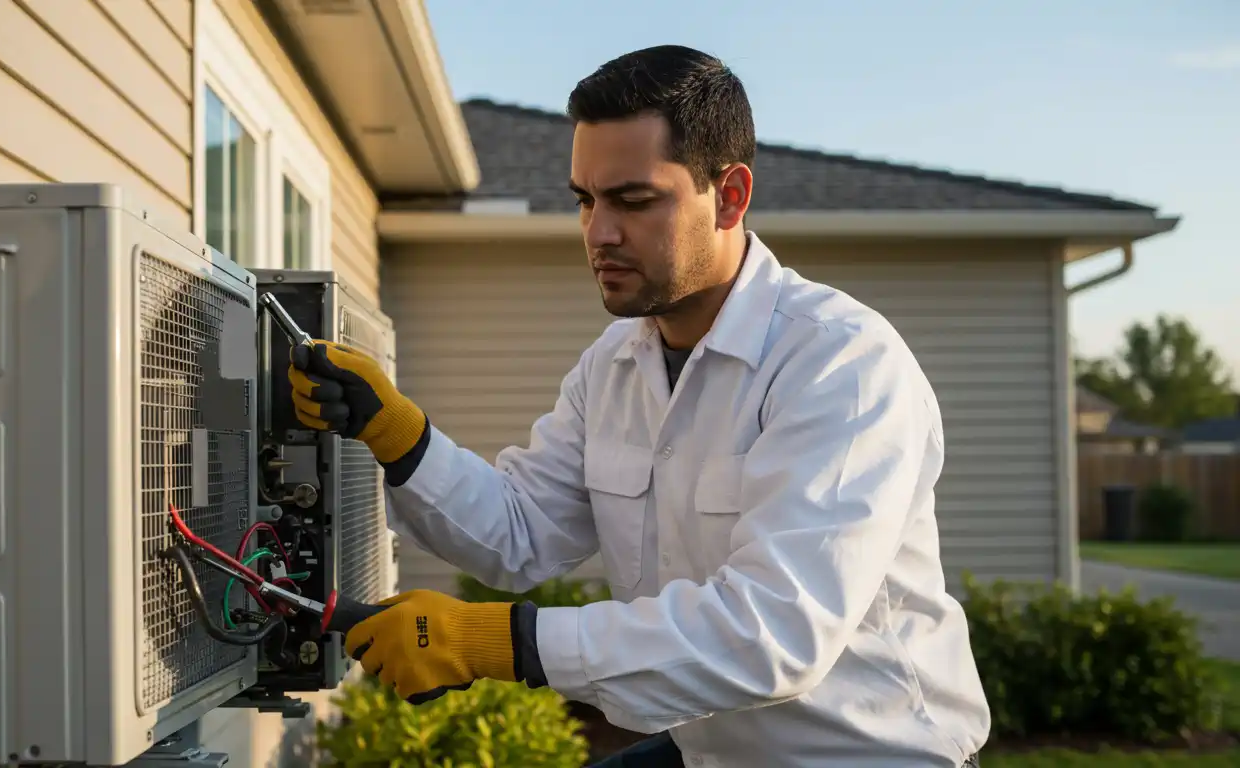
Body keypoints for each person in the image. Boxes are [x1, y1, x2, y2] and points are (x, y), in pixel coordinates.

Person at [287, 45, 990, 768]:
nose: (598, 233)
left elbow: (774, 633)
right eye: (585, 200)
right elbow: (519, 532)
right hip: (716, 751)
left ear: (732, 195)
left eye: (633, 199)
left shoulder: (840, 363)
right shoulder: (617, 363)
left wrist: (503, 643)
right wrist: (395, 433)